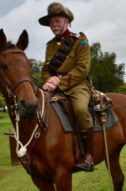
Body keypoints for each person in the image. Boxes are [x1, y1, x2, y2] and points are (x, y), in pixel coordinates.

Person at [39, 2, 94, 172]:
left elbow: (82, 69)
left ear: (66, 21)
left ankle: (89, 155)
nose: (54, 25)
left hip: (77, 86)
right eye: (51, 22)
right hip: (54, 87)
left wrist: (58, 81)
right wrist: (49, 80)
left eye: (57, 21)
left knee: (80, 110)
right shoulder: (49, 46)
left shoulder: (80, 41)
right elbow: (46, 69)